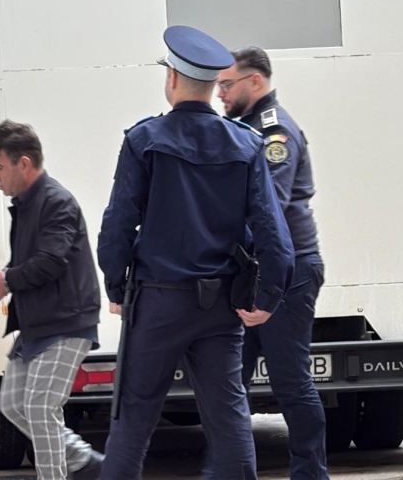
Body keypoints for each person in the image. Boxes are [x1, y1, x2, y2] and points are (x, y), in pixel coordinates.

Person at [96, 25, 295, 480]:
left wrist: (115, 285)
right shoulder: (247, 143)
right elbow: (272, 229)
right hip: (221, 305)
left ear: (171, 79)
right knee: (229, 419)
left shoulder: (144, 140)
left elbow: (119, 221)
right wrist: (268, 296)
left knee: (133, 418)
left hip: (157, 302)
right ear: (212, 85)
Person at [218, 46, 327, 480]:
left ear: (255, 81)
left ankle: (311, 474)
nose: (220, 93)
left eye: (227, 84)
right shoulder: (243, 128)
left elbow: (269, 208)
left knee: (290, 381)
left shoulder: (274, 132)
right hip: (253, 270)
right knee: (229, 382)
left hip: (288, 270)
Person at [0, 120, 104, 480]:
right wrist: (5, 276)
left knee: (39, 408)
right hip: (38, 325)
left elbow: (51, 261)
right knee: (12, 403)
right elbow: (35, 260)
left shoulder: (56, 202)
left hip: (67, 323)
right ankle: (84, 461)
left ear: (24, 163)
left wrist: (7, 279)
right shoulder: (26, 204)